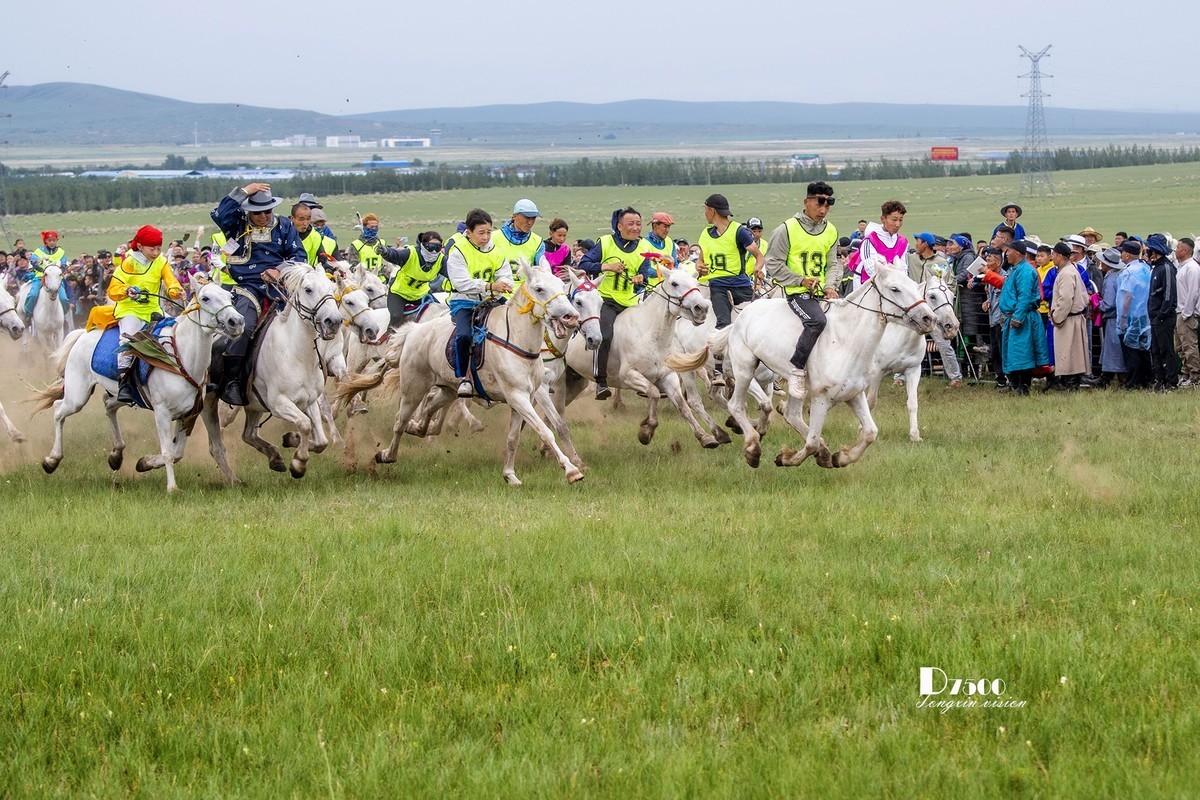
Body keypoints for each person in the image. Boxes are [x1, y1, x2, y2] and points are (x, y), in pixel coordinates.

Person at [209, 182, 305, 405]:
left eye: (267, 211)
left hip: (281, 288)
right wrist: (244, 191)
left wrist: (279, 270)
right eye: (257, 212)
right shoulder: (235, 224)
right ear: (248, 211)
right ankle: (233, 381)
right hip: (247, 287)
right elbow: (220, 212)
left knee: (308, 318)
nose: (263, 216)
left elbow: (299, 257)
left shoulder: (284, 226)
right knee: (243, 327)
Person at [763, 181, 840, 400]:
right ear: (807, 201)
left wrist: (831, 286)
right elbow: (773, 264)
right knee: (817, 322)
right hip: (796, 291)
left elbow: (833, 263)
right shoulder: (786, 229)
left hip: (822, 292)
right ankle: (796, 370)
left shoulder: (831, 230)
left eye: (828, 204)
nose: (823, 209)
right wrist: (801, 280)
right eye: (819, 203)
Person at [580, 207, 656, 399]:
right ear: (619, 226)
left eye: (638, 224)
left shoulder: (644, 247)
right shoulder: (605, 242)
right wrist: (606, 266)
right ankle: (600, 382)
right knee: (604, 336)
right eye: (631, 224)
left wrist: (641, 278)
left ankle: (646, 380)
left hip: (631, 302)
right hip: (606, 300)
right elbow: (583, 265)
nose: (636, 227)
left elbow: (645, 274)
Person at [106, 225, 184, 404]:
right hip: (130, 310)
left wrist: (176, 291)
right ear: (140, 247)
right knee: (128, 340)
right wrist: (126, 290)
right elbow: (113, 289)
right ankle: (124, 381)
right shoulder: (127, 263)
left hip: (154, 311)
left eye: (159, 248)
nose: (156, 252)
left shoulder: (162, 262)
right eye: (152, 249)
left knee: (178, 331)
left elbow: (171, 282)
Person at [696, 193, 764, 385]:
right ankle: (718, 370)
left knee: (761, 317)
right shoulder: (704, 234)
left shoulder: (739, 232)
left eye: (705, 210)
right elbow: (700, 260)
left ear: (712, 211)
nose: (705, 214)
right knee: (723, 322)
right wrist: (699, 266)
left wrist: (758, 268)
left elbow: (759, 256)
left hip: (741, 284)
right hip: (717, 284)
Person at [445, 209, 509, 398]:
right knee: (464, 335)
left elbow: (505, 272)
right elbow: (461, 283)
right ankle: (464, 378)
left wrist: (505, 283)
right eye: (481, 232)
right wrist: (490, 285)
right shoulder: (457, 251)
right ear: (469, 232)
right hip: (464, 302)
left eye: (489, 232)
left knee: (520, 317)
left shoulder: (495, 250)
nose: (486, 236)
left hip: (491, 300)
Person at [906, 232, 961, 386]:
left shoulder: (941, 262)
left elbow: (949, 284)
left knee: (943, 344)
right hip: (915, 309)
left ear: (925, 244)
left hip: (935, 311)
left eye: (918, 241)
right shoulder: (911, 259)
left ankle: (955, 377)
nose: (915, 244)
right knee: (904, 342)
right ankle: (900, 377)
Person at [996, 240, 1048, 394]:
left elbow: (1024, 297)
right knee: (1014, 352)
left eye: (1008, 251)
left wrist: (1017, 317)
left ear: (1017, 253)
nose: (1006, 254)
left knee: (1023, 352)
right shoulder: (1015, 269)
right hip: (1013, 316)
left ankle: (1023, 386)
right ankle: (1015, 384)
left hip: (1023, 318)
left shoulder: (1025, 271)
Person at [378, 231, 445, 329]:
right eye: (431, 247)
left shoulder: (441, 260)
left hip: (421, 294)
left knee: (439, 313)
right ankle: (390, 341)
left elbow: (452, 273)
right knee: (396, 317)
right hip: (400, 293)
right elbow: (395, 255)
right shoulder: (411, 253)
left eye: (438, 248)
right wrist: (385, 252)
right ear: (424, 245)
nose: (434, 252)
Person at [1048, 242, 1090, 391]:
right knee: (1073, 352)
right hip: (1072, 317)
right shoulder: (1070, 270)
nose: (1051, 257)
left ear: (1059, 256)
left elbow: (1065, 299)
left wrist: (1056, 317)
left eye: (1053, 254)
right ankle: (1071, 383)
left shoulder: (1066, 273)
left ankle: (1071, 384)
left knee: (1069, 353)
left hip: (1068, 318)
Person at [1115, 240, 1152, 390]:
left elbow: (1127, 296)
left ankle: (1132, 382)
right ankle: (1145, 380)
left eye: (1122, 252)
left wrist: (1123, 318)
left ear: (1127, 255)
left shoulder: (1128, 272)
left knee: (1131, 351)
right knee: (1143, 350)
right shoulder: (1145, 268)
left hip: (1131, 316)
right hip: (1145, 316)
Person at [1145, 233, 1178, 391]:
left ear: (1155, 251)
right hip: (1155, 317)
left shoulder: (1166, 268)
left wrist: (1161, 314)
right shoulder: (1156, 267)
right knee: (1156, 351)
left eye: (1148, 249)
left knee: (1166, 351)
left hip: (1163, 318)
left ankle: (1171, 383)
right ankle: (1160, 381)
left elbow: (1169, 295)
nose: (1146, 252)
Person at [847, 200, 908, 288]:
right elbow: (871, 269)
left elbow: (904, 268)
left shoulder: (902, 242)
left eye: (901, 220)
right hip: (867, 286)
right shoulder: (870, 240)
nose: (897, 224)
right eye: (894, 220)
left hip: (893, 287)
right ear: (883, 219)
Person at [492, 199, 546, 287]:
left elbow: (541, 274)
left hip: (526, 296)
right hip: (499, 295)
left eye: (533, 218)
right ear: (514, 216)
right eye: (527, 217)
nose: (530, 222)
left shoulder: (538, 242)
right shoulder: (494, 238)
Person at [1095, 247, 1127, 387]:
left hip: (1113, 318)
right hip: (1122, 316)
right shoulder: (1121, 274)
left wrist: (1096, 303)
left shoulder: (1110, 279)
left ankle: (1120, 379)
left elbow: (1108, 303)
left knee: (1113, 349)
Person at [23, 230, 71, 317]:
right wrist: (43, 270)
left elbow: (63, 265)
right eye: (49, 240)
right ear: (46, 241)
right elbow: (34, 262)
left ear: (57, 240)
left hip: (56, 279)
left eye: (54, 240)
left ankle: (63, 315)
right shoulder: (38, 251)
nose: (52, 242)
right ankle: (28, 313)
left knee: (64, 298)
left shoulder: (61, 252)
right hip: (40, 277)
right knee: (33, 294)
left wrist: (59, 271)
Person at [1173, 237, 1200, 386]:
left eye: (1178, 248)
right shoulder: (1182, 267)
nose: (1175, 250)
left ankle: (1195, 377)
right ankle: (1186, 373)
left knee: (1189, 346)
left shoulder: (1192, 268)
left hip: (1186, 314)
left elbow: (1193, 292)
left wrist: (1186, 313)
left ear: (1185, 250)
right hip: (1180, 312)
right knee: (1181, 346)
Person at [291, 203, 336, 267]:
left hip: (308, 273)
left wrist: (332, 270)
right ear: (292, 218)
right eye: (301, 219)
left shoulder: (315, 236)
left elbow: (323, 261)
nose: (305, 223)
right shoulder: (283, 234)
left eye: (308, 219)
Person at [642, 211, 677, 289]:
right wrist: (663, 272)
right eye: (665, 226)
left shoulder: (669, 242)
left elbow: (675, 265)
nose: (667, 230)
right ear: (655, 226)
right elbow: (644, 269)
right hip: (649, 289)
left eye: (669, 227)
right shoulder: (643, 243)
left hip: (667, 289)